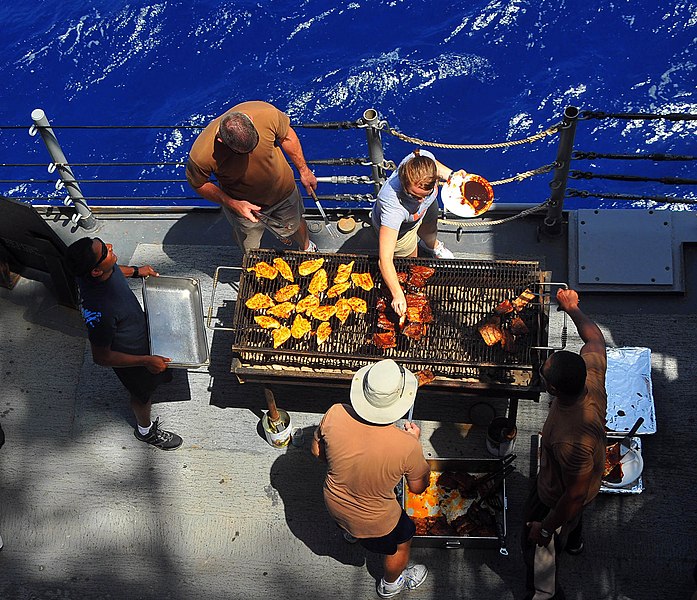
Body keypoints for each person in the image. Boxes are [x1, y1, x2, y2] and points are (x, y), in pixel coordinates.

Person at [311, 359, 430, 598]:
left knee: (351, 522)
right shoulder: (406, 446)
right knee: (401, 542)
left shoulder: (335, 413)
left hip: (334, 504)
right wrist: (412, 443)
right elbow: (418, 487)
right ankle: (391, 584)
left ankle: (351, 534)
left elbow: (317, 453)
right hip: (377, 522)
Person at [523, 288, 607, 600]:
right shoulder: (592, 374)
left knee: (535, 548)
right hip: (585, 477)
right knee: (573, 521)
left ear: (555, 389)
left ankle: (545, 593)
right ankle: (574, 542)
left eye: (544, 379)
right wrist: (573, 309)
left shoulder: (569, 439)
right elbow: (595, 339)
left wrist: (544, 528)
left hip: (557, 496)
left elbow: (573, 495)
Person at [65, 237, 183, 451]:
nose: (110, 246)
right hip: (132, 358)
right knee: (141, 395)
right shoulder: (99, 310)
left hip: (142, 334)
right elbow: (101, 357)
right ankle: (146, 431)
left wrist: (137, 271)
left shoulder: (101, 271)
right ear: (96, 271)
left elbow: (116, 270)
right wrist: (146, 360)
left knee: (159, 372)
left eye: (102, 243)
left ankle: (158, 376)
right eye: (105, 251)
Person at [186, 100, 318, 253]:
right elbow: (199, 184)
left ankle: (307, 247)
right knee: (249, 246)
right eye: (242, 153)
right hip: (245, 208)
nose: (250, 155)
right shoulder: (201, 155)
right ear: (221, 141)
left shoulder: (266, 113)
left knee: (295, 224)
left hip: (284, 192)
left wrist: (304, 170)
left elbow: (287, 136)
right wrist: (233, 203)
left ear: (251, 120)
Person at [372, 148, 457, 318]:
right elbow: (385, 259)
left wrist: (452, 176)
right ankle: (408, 289)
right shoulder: (392, 206)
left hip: (423, 213)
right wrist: (397, 294)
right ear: (404, 184)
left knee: (430, 228)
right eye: (414, 196)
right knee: (411, 261)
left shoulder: (421, 160)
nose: (419, 201)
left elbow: (435, 167)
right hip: (401, 230)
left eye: (423, 195)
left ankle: (432, 246)